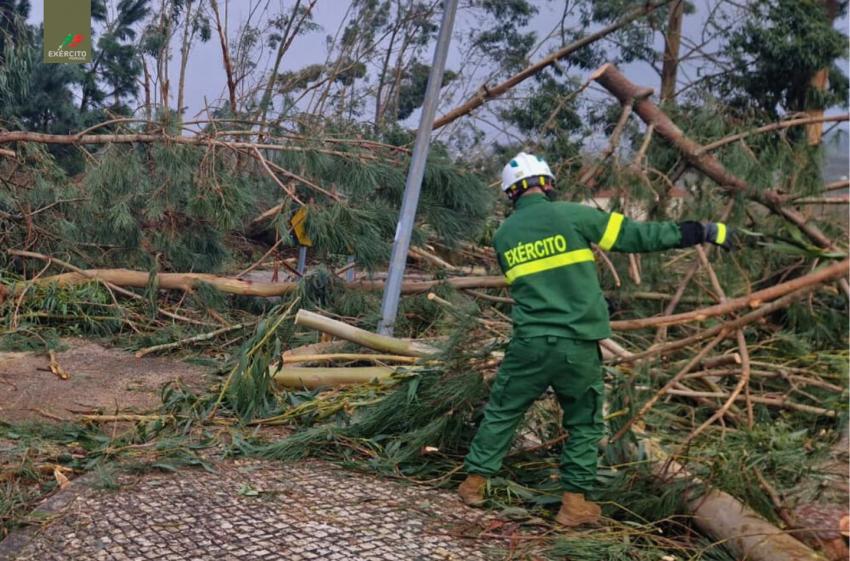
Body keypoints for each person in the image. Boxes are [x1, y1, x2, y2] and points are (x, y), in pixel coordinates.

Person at [457, 152, 732, 527]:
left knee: (504, 410)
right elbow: (638, 236)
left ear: (511, 194)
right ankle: (574, 505)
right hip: (577, 344)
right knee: (584, 424)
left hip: (530, 343)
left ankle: (474, 483)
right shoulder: (573, 215)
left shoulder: (503, 235)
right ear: (548, 184)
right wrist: (703, 231)